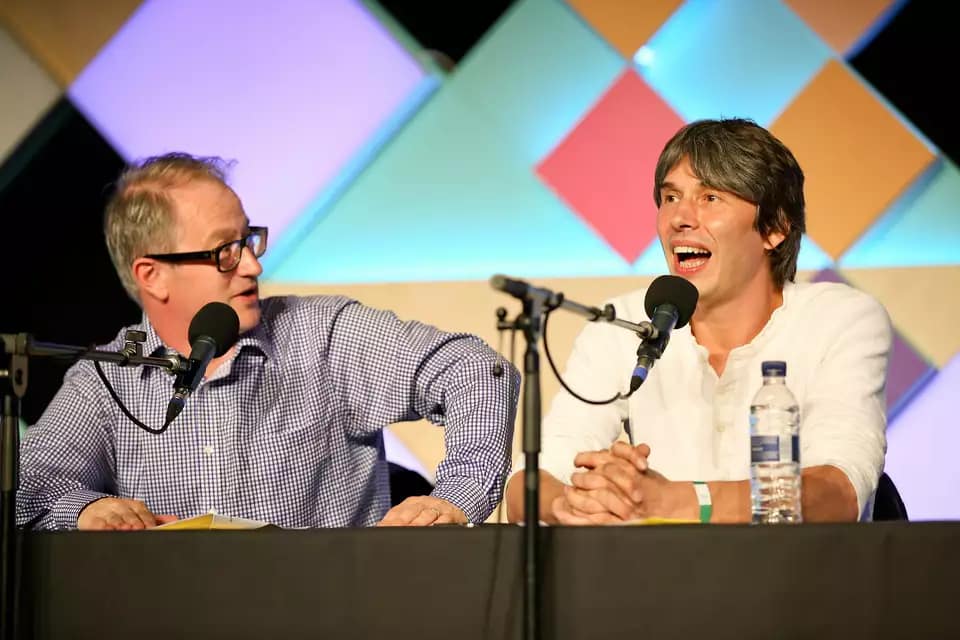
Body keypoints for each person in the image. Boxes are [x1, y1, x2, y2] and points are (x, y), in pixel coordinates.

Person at [17, 152, 518, 531]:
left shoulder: (320, 335)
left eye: (248, 241)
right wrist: (86, 510)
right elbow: (27, 492)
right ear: (153, 276)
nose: (254, 266)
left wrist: (455, 496)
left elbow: (477, 369)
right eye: (225, 253)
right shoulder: (104, 381)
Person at [504, 117, 892, 525]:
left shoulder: (841, 319)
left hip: (802, 580)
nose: (679, 219)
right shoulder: (620, 325)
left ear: (774, 227)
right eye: (670, 198)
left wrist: (676, 501)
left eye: (710, 198)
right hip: (658, 582)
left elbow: (838, 492)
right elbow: (527, 483)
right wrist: (574, 503)